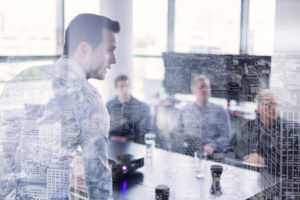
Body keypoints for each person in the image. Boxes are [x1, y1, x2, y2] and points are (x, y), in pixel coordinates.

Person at [0, 14, 120, 199]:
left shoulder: (21, 79)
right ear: (84, 49)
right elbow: (97, 179)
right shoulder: (89, 99)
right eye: (109, 50)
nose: (113, 60)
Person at [242, 90, 300, 199]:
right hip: (252, 179)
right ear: (258, 109)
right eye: (268, 105)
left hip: (281, 184)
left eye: (274, 104)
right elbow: (241, 150)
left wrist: (265, 160)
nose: (273, 108)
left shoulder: (289, 129)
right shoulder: (250, 126)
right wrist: (249, 156)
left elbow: (291, 161)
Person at [171, 74, 232, 156]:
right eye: (201, 87)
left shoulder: (220, 110)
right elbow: (176, 132)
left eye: (207, 87)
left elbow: (226, 136)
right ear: (193, 91)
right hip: (187, 152)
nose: (205, 90)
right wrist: (175, 144)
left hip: (211, 155)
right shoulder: (184, 110)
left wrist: (212, 146)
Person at [106, 74, 152, 144]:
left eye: (127, 85)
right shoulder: (109, 106)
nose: (125, 89)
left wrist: (126, 139)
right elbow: (103, 128)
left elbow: (145, 131)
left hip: (134, 144)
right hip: (112, 143)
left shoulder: (142, 107)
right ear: (116, 89)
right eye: (121, 86)